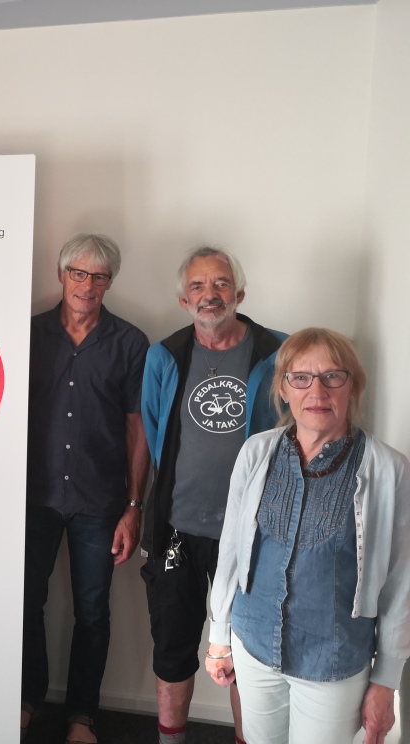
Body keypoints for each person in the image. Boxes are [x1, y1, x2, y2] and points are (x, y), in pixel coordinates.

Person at [205, 329, 410, 744]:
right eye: (300, 377)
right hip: (253, 646)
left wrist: (387, 679)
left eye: (333, 376)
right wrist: (219, 637)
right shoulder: (256, 453)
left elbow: (400, 583)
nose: (317, 391)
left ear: (353, 386)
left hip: (333, 663)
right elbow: (231, 550)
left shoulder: (388, 470)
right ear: (284, 388)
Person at [141, 246, 287, 744]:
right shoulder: (164, 356)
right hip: (178, 531)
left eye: (221, 283)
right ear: (184, 299)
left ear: (239, 293)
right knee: (172, 650)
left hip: (255, 536)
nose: (211, 294)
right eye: (198, 285)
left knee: (247, 655)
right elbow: (156, 436)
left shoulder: (279, 353)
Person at [21, 234, 150, 744]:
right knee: (25, 603)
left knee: (93, 612)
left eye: (99, 276)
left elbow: (137, 428)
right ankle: (27, 699)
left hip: (100, 502)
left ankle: (81, 714)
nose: (87, 284)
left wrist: (134, 506)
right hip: (33, 497)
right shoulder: (28, 334)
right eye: (78, 272)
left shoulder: (130, 343)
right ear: (61, 275)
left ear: (109, 283)